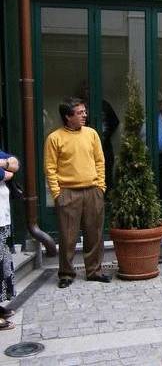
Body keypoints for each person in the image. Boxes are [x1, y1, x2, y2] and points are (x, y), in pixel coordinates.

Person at [44, 97, 111, 288]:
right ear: (68, 116)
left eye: (84, 112)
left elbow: (100, 160)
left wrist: (101, 187)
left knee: (95, 234)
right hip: (68, 193)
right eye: (80, 112)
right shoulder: (54, 138)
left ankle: (94, 271)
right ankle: (66, 274)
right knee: (67, 236)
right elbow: (50, 168)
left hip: (92, 191)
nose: (84, 115)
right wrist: (57, 193)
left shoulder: (91, 134)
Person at [0, 152, 19, 330]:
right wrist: (5, 169)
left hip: (2, 218)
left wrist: (4, 162)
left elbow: (14, 164)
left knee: (3, 264)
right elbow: (5, 173)